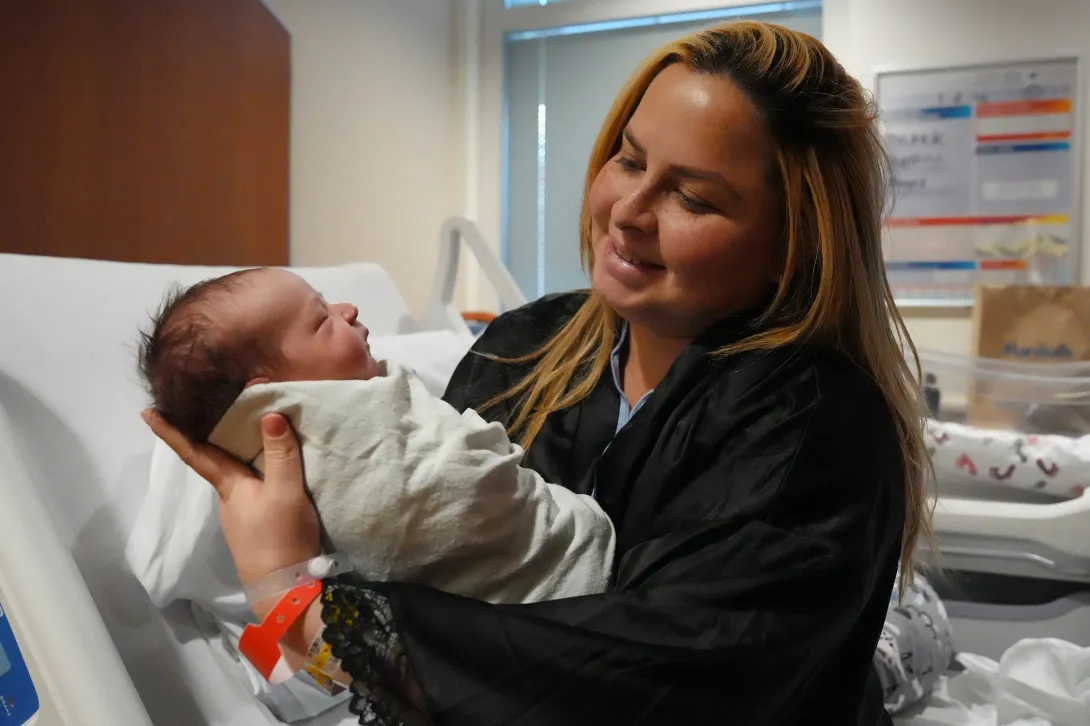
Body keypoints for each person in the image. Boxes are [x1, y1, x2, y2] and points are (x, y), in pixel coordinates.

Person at [144, 20, 934, 726]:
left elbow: (664, 680)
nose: (629, 209)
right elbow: (428, 584)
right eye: (628, 159)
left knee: (900, 639)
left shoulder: (815, 426)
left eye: (692, 197)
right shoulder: (525, 347)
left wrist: (287, 593)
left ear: (792, 246)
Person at [137, 267, 615, 604]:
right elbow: (425, 500)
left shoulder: (366, 406)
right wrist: (273, 586)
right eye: (321, 319)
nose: (347, 309)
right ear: (275, 393)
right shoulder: (338, 453)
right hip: (562, 588)